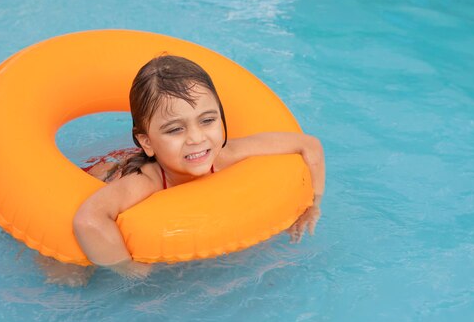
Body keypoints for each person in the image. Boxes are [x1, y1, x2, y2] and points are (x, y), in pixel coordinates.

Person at [73, 55, 325, 279]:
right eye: (175, 129)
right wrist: (129, 270)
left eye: (207, 120)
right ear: (147, 142)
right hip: (107, 172)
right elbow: (88, 220)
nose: (196, 138)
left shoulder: (228, 154)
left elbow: (309, 145)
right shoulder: (146, 180)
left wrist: (312, 204)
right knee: (71, 273)